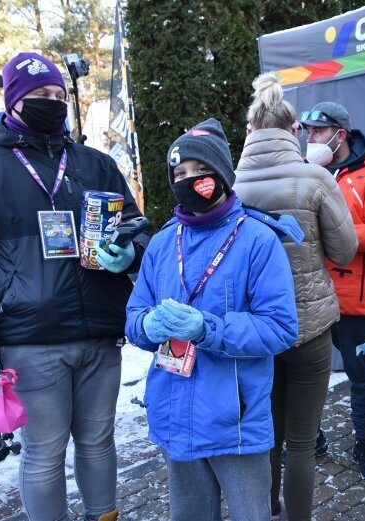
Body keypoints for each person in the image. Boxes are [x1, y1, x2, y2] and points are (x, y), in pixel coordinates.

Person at [0, 52, 146, 521]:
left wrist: (131, 253)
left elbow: (134, 227)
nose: (51, 104)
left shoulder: (95, 163)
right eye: (37, 97)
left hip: (98, 333)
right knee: (45, 453)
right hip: (29, 342)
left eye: (56, 95)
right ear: (12, 102)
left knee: (97, 442)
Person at [125, 118, 301, 521]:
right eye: (180, 173)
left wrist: (208, 329)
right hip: (174, 414)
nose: (191, 180)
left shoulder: (257, 238)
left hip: (234, 422)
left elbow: (280, 327)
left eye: (201, 171)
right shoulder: (162, 242)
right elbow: (134, 315)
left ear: (221, 173)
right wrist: (146, 327)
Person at [234, 73, 358, 520]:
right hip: (310, 327)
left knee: (267, 436)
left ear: (249, 132)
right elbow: (345, 251)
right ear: (294, 131)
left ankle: (266, 511)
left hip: (256, 333)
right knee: (303, 442)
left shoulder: (229, 188)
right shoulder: (315, 178)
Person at [300, 101, 365, 481]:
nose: (310, 138)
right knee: (306, 375)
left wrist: (332, 234)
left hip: (356, 301)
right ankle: (313, 438)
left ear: (340, 134)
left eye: (318, 131)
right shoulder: (306, 172)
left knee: (361, 378)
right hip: (312, 293)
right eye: (307, 131)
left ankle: (364, 446)